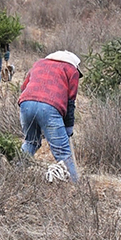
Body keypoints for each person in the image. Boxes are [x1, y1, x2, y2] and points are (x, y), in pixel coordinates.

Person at [19, 51, 82, 182]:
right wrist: (68, 127)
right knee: (63, 151)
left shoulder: (38, 64)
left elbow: (24, 87)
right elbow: (71, 102)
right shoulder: (72, 70)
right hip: (50, 107)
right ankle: (76, 186)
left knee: (31, 142)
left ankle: (14, 173)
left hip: (26, 103)